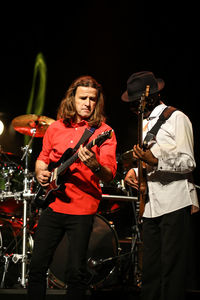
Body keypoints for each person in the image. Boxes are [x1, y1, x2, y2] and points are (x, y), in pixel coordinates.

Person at [27, 75, 117, 300]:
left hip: (83, 209)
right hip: (54, 205)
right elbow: (43, 158)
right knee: (37, 266)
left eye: (92, 99)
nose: (87, 103)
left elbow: (109, 174)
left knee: (75, 272)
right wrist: (40, 173)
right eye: (83, 98)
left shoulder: (104, 132)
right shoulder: (56, 128)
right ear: (72, 99)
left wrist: (95, 165)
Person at [121, 71, 199, 300]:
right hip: (151, 206)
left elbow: (189, 161)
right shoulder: (144, 124)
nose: (134, 108)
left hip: (174, 202)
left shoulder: (177, 118)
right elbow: (148, 161)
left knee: (171, 270)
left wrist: (156, 161)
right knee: (151, 271)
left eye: (136, 102)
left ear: (151, 97)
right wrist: (135, 171)